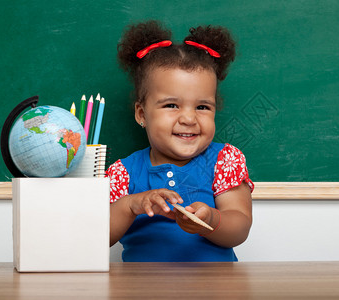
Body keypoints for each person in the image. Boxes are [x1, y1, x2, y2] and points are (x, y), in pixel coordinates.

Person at [106, 20, 254, 262]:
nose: (188, 118)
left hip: (216, 288)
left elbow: (240, 226)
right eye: (171, 105)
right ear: (142, 114)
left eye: (202, 106)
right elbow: (96, 237)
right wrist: (130, 206)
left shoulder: (224, 161)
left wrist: (211, 220)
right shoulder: (124, 173)